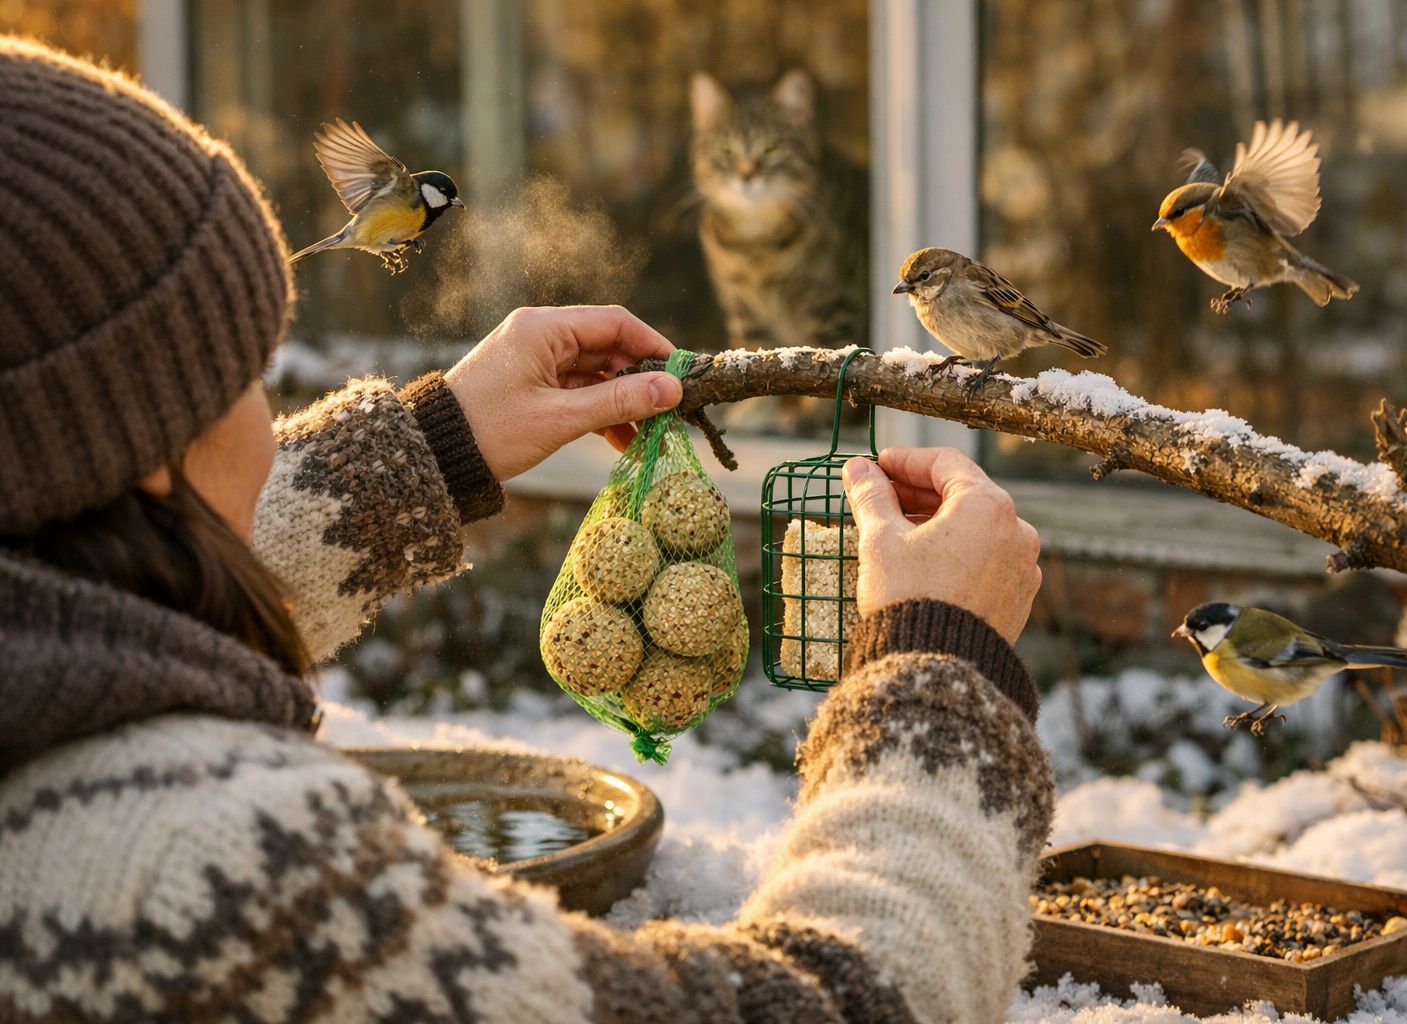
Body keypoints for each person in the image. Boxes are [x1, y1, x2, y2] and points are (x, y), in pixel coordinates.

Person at [0, 38, 1054, 1024]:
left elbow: (117, 590)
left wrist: (435, 445)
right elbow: (839, 1001)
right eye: (246, 369)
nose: (266, 408)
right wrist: (937, 667)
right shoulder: (206, 870)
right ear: (144, 432)